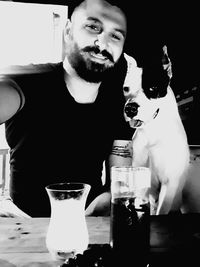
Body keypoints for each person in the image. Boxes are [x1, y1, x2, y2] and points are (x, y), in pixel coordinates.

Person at [0, 0, 133, 217]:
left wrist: (108, 199)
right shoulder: (27, 82)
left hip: (89, 230)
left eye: (115, 36)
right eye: (93, 27)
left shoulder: (122, 103)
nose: (102, 43)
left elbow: (119, 179)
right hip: (24, 231)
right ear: (68, 31)